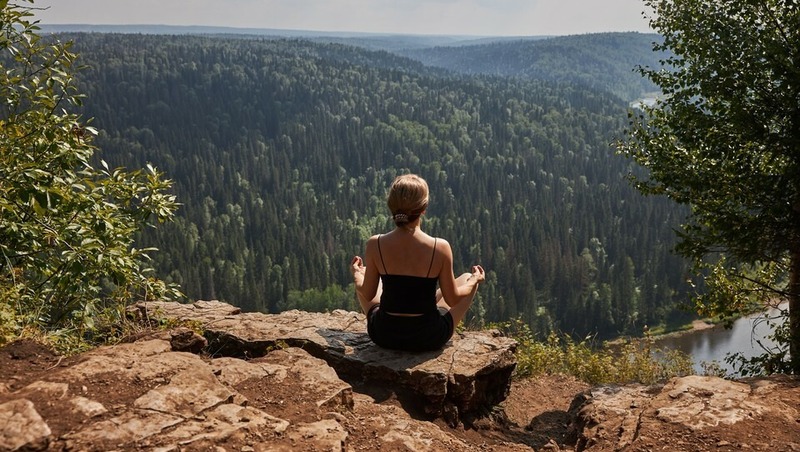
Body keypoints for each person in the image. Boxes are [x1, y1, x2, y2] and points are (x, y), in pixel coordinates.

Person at [350, 174, 485, 352]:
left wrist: (357, 274)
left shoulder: (375, 244)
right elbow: (452, 298)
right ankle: (433, 304)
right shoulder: (440, 247)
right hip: (428, 337)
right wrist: (475, 280)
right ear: (423, 208)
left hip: (384, 334)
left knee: (365, 273)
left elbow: (367, 293)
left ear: (391, 206)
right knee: (467, 278)